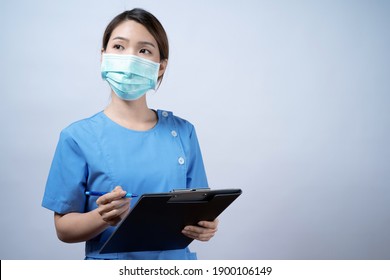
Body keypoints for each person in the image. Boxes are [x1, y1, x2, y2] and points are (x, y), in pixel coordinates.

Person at [42, 8, 218, 260]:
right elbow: (63, 229)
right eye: (119, 47)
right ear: (103, 56)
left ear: (160, 67)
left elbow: (198, 209)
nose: (130, 58)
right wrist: (102, 217)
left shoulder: (183, 132)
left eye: (144, 50)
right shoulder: (77, 137)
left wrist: (205, 226)